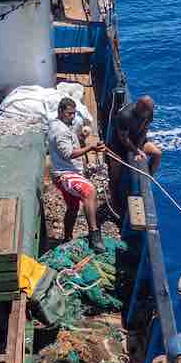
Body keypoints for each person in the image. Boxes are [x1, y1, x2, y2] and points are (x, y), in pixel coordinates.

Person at [47, 96, 106, 251]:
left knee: (73, 207)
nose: (72, 116)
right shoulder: (60, 131)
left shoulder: (57, 124)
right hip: (64, 174)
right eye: (69, 113)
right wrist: (90, 148)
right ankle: (94, 235)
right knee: (89, 190)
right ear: (60, 111)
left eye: (74, 113)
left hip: (65, 171)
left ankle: (67, 237)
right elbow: (69, 154)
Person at [107, 94, 162, 212]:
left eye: (149, 112)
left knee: (157, 153)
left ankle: (148, 178)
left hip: (137, 141)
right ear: (139, 107)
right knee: (115, 170)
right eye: (146, 111)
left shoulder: (149, 113)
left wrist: (139, 148)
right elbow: (123, 139)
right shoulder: (124, 115)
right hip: (119, 145)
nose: (148, 114)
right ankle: (113, 196)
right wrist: (136, 151)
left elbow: (145, 130)